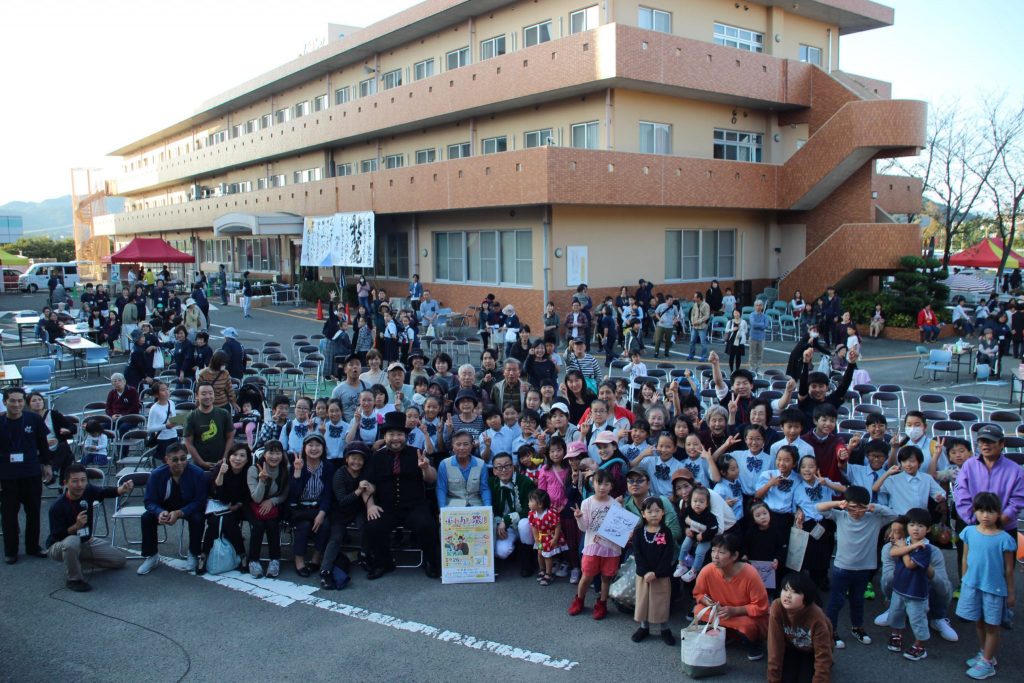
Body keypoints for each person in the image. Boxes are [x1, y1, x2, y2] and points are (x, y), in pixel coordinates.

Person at [362, 411, 441, 579]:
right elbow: (368, 484)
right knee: (373, 525)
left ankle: (431, 562)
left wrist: (426, 468)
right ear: (385, 436)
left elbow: (432, 479)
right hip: (386, 506)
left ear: (405, 436)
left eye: (399, 434)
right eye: (391, 434)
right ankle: (384, 563)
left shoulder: (417, 452)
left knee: (427, 525)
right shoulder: (376, 457)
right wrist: (370, 505)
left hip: (414, 506)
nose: (395, 438)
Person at [817, 486, 897, 649]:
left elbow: (894, 515)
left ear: (867, 506)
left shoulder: (875, 518)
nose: (856, 512)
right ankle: (831, 630)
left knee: (858, 600)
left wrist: (874, 507)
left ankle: (857, 627)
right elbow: (819, 507)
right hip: (842, 567)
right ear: (846, 505)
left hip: (864, 568)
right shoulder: (841, 515)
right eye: (852, 507)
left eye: (861, 508)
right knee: (836, 601)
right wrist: (838, 503)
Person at [955, 492, 1017, 680]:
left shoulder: (1004, 539)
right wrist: (964, 581)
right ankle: (985, 654)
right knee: (979, 621)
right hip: (973, 586)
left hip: (994, 589)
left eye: (990, 511)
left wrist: (1011, 593)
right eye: (981, 511)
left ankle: (987, 662)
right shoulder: (969, 532)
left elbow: (1009, 569)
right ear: (974, 511)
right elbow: (965, 558)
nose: (985, 516)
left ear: (998, 513)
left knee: (992, 625)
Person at [46, 464, 132, 592]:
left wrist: (122, 489)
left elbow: (104, 492)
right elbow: (57, 535)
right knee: (71, 542)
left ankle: (74, 563)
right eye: (75, 481)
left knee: (119, 560)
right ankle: (74, 579)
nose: (80, 485)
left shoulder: (88, 491)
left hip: (85, 540)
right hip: (59, 545)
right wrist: (76, 526)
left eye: (83, 480)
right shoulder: (57, 506)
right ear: (65, 483)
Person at [693, 533, 771, 661]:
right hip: (721, 611)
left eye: (721, 552)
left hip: (743, 615)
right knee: (698, 610)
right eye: (713, 551)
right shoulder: (707, 570)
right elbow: (699, 594)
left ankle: (754, 643)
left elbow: (761, 607)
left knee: (747, 625)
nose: (715, 556)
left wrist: (735, 611)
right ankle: (728, 634)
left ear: (734, 555)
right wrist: (710, 604)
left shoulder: (750, 574)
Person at [137, 443, 208, 575]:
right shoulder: (156, 474)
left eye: (183, 458)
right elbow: (149, 501)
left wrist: (179, 512)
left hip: (188, 506)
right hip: (165, 505)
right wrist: (159, 512)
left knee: (198, 518)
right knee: (147, 518)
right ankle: (152, 556)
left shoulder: (197, 473)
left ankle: (193, 553)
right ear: (167, 460)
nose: (180, 463)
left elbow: (200, 501)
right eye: (175, 459)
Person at [1, 387, 53, 564]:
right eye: (12, 401)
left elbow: (42, 444)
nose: (16, 404)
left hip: (31, 473)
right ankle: (11, 551)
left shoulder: (33, 419)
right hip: (7, 476)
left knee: (33, 512)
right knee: (9, 515)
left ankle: (33, 546)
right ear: (5, 402)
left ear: (24, 402)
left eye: (20, 401)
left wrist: (47, 464)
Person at [954, 424, 1024, 543]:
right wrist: (974, 520)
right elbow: (961, 494)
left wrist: (999, 521)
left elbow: (1017, 500)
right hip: (971, 525)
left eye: (990, 441)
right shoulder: (968, 465)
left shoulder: (1015, 470)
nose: (985, 445)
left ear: (1001, 444)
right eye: (982, 441)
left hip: (1004, 528)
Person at [568, 469, 622, 619]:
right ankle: (579, 600)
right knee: (586, 576)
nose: (602, 487)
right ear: (593, 483)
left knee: (606, 578)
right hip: (592, 546)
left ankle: (602, 603)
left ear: (611, 486)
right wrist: (579, 517)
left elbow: (619, 530)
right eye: (599, 483)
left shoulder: (616, 505)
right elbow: (584, 528)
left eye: (606, 484)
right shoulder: (587, 502)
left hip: (611, 548)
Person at [766, 572, 834, 683]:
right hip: (791, 648)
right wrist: (773, 678)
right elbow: (775, 645)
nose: (788, 595)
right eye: (785, 589)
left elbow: (823, 653)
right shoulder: (777, 607)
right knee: (786, 679)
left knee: (806, 680)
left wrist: (821, 678)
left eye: (795, 592)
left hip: (812, 651)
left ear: (806, 596)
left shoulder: (817, 616)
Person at [885, 508, 933, 661]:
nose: (915, 529)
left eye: (920, 526)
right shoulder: (905, 541)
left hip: (916, 591)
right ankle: (896, 635)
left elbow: (910, 564)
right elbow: (892, 552)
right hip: (899, 588)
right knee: (896, 613)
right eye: (912, 525)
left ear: (928, 529)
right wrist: (909, 547)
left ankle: (920, 646)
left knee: (917, 620)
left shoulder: (925, 547)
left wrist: (904, 549)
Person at [631, 496, 678, 645]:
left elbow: (667, 555)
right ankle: (644, 627)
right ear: (643, 514)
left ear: (663, 512)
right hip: (643, 575)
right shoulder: (639, 532)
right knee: (643, 601)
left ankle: (665, 629)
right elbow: (637, 553)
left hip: (660, 575)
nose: (654, 514)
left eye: (657, 511)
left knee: (660, 602)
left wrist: (656, 573)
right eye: (650, 511)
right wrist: (645, 572)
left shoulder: (665, 532)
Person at [199, 443, 251, 574]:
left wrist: (237, 506)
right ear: (229, 456)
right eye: (234, 455)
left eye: (242, 456)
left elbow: (247, 496)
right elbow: (216, 492)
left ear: (247, 459)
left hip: (238, 507)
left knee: (228, 519)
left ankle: (240, 554)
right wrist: (221, 473)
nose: (237, 459)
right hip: (218, 504)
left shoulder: (249, 471)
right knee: (216, 520)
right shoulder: (220, 467)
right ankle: (205, 555)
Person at [288, 433, 334, 577]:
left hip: (317, 507)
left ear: (323, 448)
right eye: (310, 445)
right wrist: (297, 474)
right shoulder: (297, 464)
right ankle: (299, 560)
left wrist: (321, 513)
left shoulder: (328, 467)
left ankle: (316, 558)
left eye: (318, 445)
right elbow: (292, 495)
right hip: (299, 508)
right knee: (304, 525)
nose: (314, 448)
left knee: (324, 524)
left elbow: (328, 494)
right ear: (304, 448)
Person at [245, 440, 289, 578]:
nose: (274, 457)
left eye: (278, 453)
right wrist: (262, 481)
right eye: (271, 453)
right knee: (258, 525)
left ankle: (275, 560)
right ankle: (253, 560)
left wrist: (272, 501)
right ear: (264, 454)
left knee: (272, 524)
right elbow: (256, 498)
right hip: (253, 505)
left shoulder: (285, 470)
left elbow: (284, 494)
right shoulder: (253, 469)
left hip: (274, 505)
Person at [489, 451, 537, 574]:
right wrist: (498, 523)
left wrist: (507, 519)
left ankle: (528, 560)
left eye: (507, 465)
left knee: (524, 524)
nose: (504, 470)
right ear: (494, 471)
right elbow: (492, 508)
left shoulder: (525, 482)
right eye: (499, 467)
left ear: (513, 467)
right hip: (504, 526)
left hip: (521, 522)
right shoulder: (491, 484)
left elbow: (531, 509)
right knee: (502, 552)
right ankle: (515, 551)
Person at [184, 383, 235, 470]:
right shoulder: (191, 417)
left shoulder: (224, 414)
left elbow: (230, 437)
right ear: (197, 396)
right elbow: (188, 443)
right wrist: (201, 462)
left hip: (222, 464)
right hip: (199, 466)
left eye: (210, 393)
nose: (208, 396)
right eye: (204, 394)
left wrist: (224, 458)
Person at [436, 430, 492, 508]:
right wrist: (442, 509)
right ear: (453, 446)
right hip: (453, 507)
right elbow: (441, 489)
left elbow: (485, 489)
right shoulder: (444, 464)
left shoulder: (481, 464)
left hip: (476, 505)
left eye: (466, 444)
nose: (462, 448)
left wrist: (487, 508)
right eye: (458, 444)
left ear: (472, 445)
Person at [146, 381, 179, 459]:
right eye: (163, 390)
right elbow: (150, 428)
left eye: (167, 389)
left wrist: (179, 421)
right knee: (167, 461)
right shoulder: (154, 409)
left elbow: (173, 418)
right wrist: (165, 426)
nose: (167, 392)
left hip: (174, 435)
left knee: (176, 459)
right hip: (163, 439)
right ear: (156, 394)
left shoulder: (171, 403)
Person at [652, 295, 678, 359]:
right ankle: (656, 352)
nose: (671, 301)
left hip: (670, 326)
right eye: (670, 300)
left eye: (672, 300)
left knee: (668, 340)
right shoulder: (661, 306)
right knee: (658, 339)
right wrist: (659, 319)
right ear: (666, 300)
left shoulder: (674, 307)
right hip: (661, 325)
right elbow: (656, 313)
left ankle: (666, 353)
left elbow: (677, 315)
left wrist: (675, 321)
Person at [688, 291, 710, 360]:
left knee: (703, 342)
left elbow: (707, 316)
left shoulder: (706, 305)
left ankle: (704, 356)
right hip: (694, 326)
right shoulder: (695, 305)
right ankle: (691, 354)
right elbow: (692, 314)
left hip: (702, 327)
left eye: (695, 297)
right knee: (692, 341)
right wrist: (692, 321)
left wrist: (698, 322)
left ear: (699, 298)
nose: (694, 298)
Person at [748, 300, 769, 372]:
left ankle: (758, 369)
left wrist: (758, 324)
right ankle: (751, 368)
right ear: (754, 306)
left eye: (760, 305)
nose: (758, 307)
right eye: (756, 305)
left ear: (762, 307)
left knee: (760, 354)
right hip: (753, 337)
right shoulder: (752, 315)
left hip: (761, 338)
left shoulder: (765, 316)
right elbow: (753, 324)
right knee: (752, 354)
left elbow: (766, 325)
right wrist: (761, 324)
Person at [725, 308, 748, 373]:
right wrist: (732, 329)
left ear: (740, 313)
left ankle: (737, 370)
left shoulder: (743, 322)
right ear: (733, 314)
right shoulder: (730, 322)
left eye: (737, 313)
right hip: (732, 340)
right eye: (735, 313)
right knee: (731, 356)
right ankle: (731, 370)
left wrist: (741, 332)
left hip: (740, 340)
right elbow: (726, 330)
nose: (736, 314)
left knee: (738, 356)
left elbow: (746, 330)